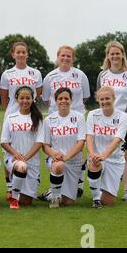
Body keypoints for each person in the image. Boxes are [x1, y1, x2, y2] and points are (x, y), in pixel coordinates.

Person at [96, 41, 127, 202]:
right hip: (106, 122)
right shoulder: (102, 75)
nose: (115, 56)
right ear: (108, 56)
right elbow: (100, 97)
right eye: (112, 53)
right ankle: (105, 188)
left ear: (122, 54)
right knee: (106, 154)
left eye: (118, 53)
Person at [41, 45, 90, 198]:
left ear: (72, 58)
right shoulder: (50, 76)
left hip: (76, 118)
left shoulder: (80, 75)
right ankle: (53, 192)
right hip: (56, 120)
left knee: (79, 152)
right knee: (57, 157)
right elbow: (47, 99)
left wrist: (71, 111)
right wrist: (61, 110)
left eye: (69, 56)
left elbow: (85, 97)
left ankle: (78, 185)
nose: (65, 58)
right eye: (63, 55)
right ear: (58, 56)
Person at [0, 41, 42, 201]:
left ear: (27, 54)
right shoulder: (7, 74)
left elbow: (37, 95)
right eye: (18, 52)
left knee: (29, 145)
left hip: (30, 115)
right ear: (13, 54)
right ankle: (10, 189)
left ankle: (29, 183)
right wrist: (12, 112)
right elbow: (4, 98)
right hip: (13, 116)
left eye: (23, 52)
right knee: (9, 151)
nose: (21, 54)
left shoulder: (35, 73)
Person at [86, 86, 127, 209]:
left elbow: (117, 140)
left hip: (115, 160)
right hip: (96, 157)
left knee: (108, 201)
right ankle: (96, 199)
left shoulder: (124, 117)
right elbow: (89, 137)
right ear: (98, 100)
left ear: (114, 99)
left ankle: (101, 188)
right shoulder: (92, 114)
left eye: (107, 98)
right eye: (102, 99)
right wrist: (92, 155)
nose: (105, 101)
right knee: (94, 163)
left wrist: (104, 156)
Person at [0, 86, 44, 210]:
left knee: (26, 202)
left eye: (28, 98)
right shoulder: (10, 118)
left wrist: (26, 157)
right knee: (21, 166)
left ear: (33, 99)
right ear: (16, 99)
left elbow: (39, 142)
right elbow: (4, 142)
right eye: (22, 98)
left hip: (32, 161)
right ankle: (14, 198)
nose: (25, 101)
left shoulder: (38, 118)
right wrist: (16, 154)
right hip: (14, 159)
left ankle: (15, 192)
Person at [42, 87, 86, 208]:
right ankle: (54, 198)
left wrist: (66, 157)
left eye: (66, 98)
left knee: (68, 202)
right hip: (56, 160)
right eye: (60, 98)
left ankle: (49, 193)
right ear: (55, 101)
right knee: (59, 165)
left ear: (71, 100)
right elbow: (45, 145)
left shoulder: (79, 117)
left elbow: (81, 143)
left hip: (73, 161)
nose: (63, 101)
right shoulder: (49, 119)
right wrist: (53, 154)